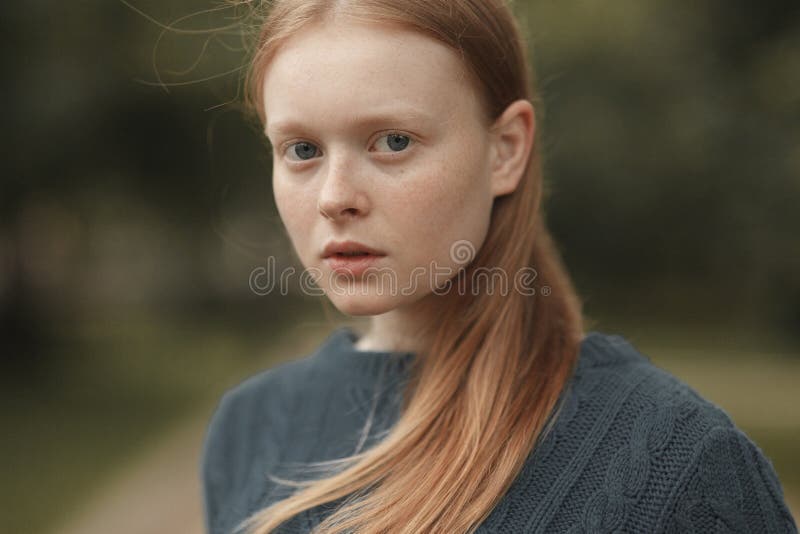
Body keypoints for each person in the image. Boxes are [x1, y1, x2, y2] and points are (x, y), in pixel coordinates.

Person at [200, 1, 798, 533]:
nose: (334, 196)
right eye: (302, 150)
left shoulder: (681, 463)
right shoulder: (247, 429)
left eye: (393, 141)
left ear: (506, 150)